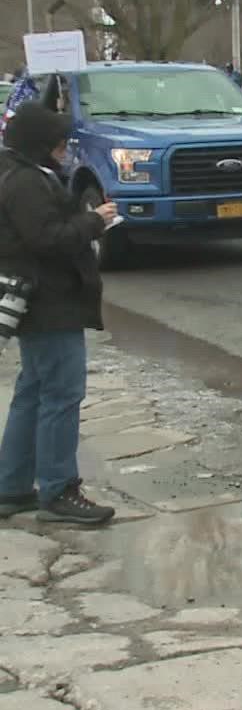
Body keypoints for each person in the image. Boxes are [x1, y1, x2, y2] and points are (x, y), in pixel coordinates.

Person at [0, 103, 117, 525]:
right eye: (59, 143)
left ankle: (11, 486)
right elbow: (46, 239)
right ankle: (58, 490)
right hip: (49, 302)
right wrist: (93, 223)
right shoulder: (26, 182)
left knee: (32, 391)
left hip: (39, 300)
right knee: (61, 396)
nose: (65, 149)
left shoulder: (22, 172)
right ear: (39, 145)